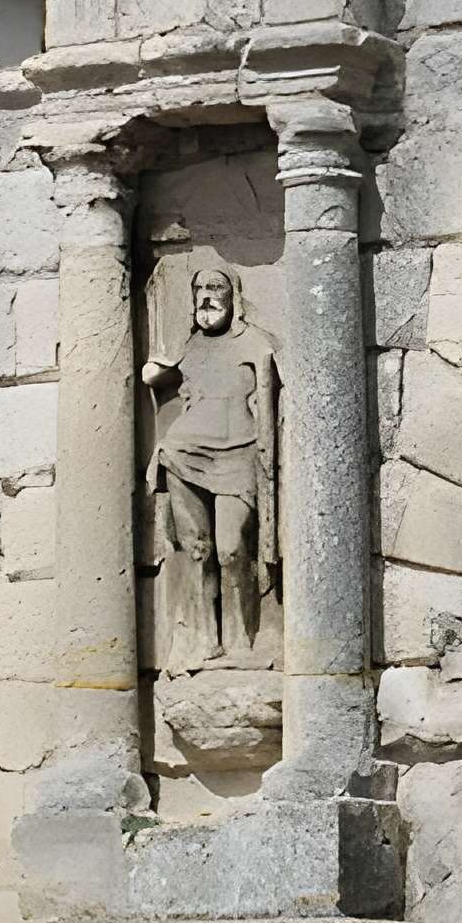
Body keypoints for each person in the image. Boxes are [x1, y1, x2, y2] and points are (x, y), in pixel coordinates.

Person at [144, 264, 280, 666]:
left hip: (239, 451)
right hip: (185, 452)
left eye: (215, 287)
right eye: (200, 288)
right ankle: (204, 639)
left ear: (232, 295)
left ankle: (244, 641)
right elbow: (155, 377)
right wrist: (162, 355)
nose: (206, 295)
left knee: (232, 548)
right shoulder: (190, 345)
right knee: (198, 550)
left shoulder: (256, 342)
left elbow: (275, 388)